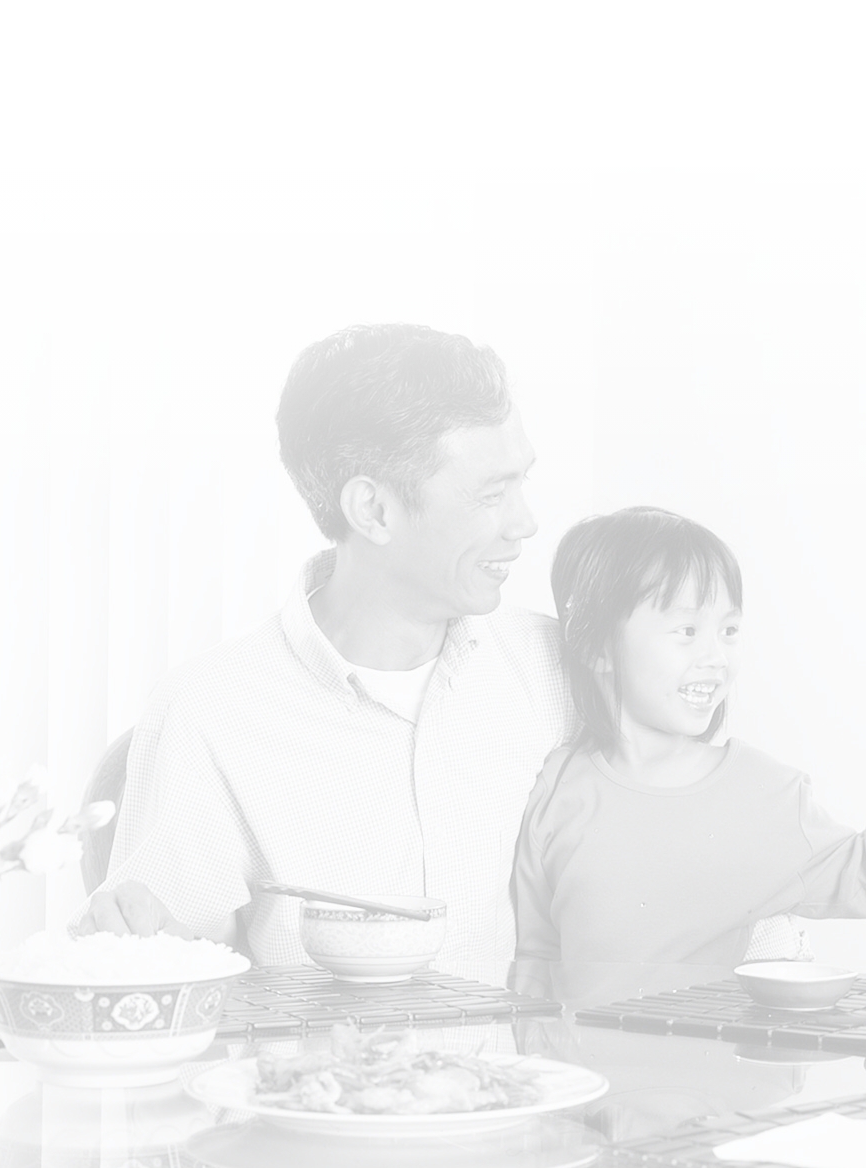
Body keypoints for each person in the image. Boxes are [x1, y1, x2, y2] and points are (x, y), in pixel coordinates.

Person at [77, 324, 573, 982]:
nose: (525, 522)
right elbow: (161, 970)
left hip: (534, 1082)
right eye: (490, 494)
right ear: (373, 508)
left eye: (521, 483)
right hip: (312, 1080)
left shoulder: (557, 669)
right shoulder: (212, 712)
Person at [511, 507, 866, 968]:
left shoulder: (766, 793)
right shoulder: (557, 787)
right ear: (595, 647)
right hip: (566, 1042)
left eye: (728, 631)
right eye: (686, 631)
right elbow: (536, 954)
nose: (716, 657)